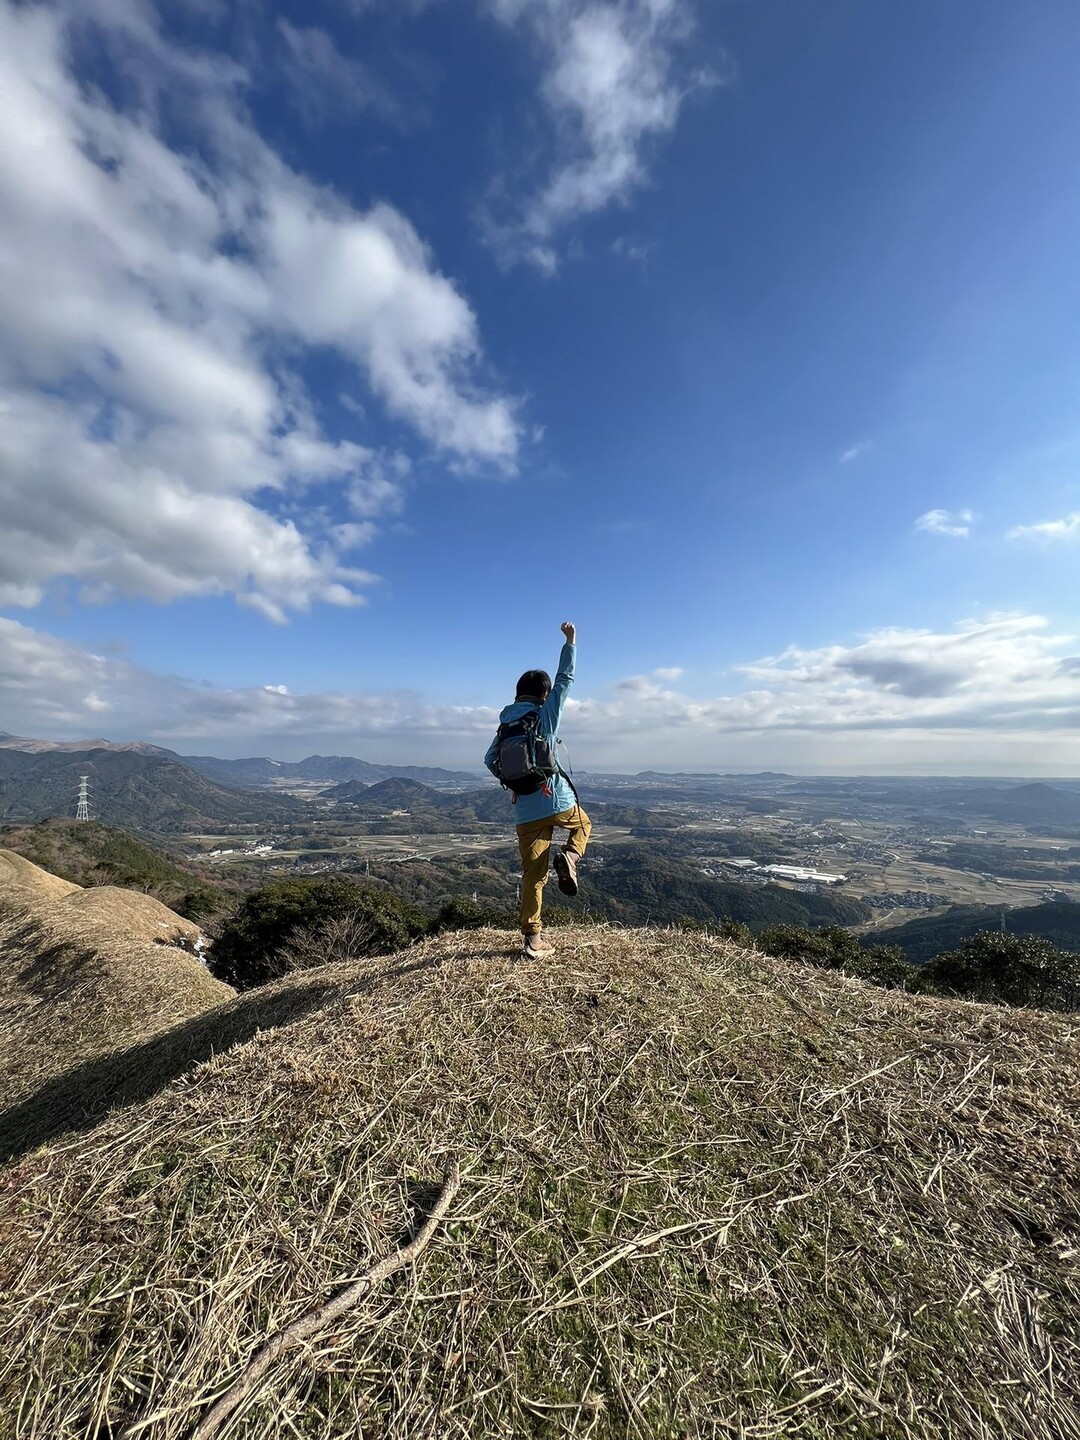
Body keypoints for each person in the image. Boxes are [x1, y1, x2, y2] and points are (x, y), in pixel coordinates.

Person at [485, 621, 591, 959]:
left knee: (533, 875)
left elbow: (490, 760)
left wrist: (515, 782)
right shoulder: (544, 716)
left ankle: (533, 940)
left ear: (518, 693)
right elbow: (565, 681)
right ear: (543, 695)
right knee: (584, 825)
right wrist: (570, 641)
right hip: (555, 798)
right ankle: (571, 858)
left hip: (525, 810)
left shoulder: (506, 725)